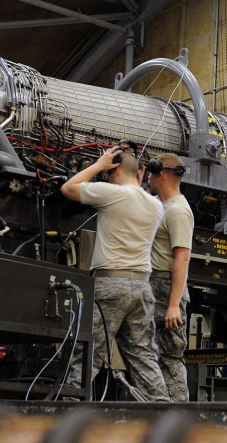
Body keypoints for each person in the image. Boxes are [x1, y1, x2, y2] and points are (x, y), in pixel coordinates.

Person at [61, 147, 170, 402]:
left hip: (109, 285)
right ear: (141, 174)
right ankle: (162, 411)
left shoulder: (112, 193)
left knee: (88, 355)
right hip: (142, 288)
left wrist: (99, 165)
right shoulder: (156, 205)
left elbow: (68, 188)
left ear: (116, 171)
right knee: (144, 358)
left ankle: (69, 410)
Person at [148, 153, 194, 401]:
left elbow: (182, 258)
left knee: (169, 358)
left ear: (162, 174)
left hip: (167, 289)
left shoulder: (178, 211)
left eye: (151, 172)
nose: (148, 177)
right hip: (153, 287)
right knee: (148, 355)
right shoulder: (158, 205)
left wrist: (174, 305)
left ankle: (178, 413)